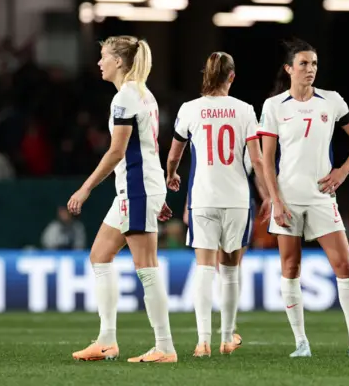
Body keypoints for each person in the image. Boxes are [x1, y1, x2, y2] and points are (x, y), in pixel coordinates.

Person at [258, 38, 349, 359]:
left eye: (313, 63)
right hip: (287, 198)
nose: (310, 69)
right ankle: (301, 342)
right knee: (290, 266)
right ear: (289, 69)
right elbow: (266, 159)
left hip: (321, 198)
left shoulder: (332, 101)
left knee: (344, 265)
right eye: (303, 63)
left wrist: (342, 172)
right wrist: (276, 200)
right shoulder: (274, 106)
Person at [68, 35, 178, 363]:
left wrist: (85, 188)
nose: (99, 62)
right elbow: (149, 147)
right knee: (100, 256)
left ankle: (165, 346)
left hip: (137, 189)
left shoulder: (125, 99)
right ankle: (106, 341)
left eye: (104, 56)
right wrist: (156, 190)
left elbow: (117, 151)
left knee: (146, 268)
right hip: (139, 189)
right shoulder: (144, 94)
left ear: (119, 61)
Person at [166, 51, 270, 357]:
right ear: (232, 77)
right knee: (230, 270)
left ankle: (202, 341)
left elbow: (174, 155)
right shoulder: (245, 110)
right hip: (237, 199)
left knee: (203, 268)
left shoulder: (190, 109)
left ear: (205, 75)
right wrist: (268, 196)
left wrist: (171, 175)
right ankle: (227, 338)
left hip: (203, 199)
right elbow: (257, 159)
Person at [181, 150, 271, 335]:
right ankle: (227, 320)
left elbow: (255, 170)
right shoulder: (243, 126)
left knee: (223, 265)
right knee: (226, 265)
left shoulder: (214, 127)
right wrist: (269, 197)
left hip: (224, 200)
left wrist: (268, 196)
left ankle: (223, 321)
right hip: (231, 202)